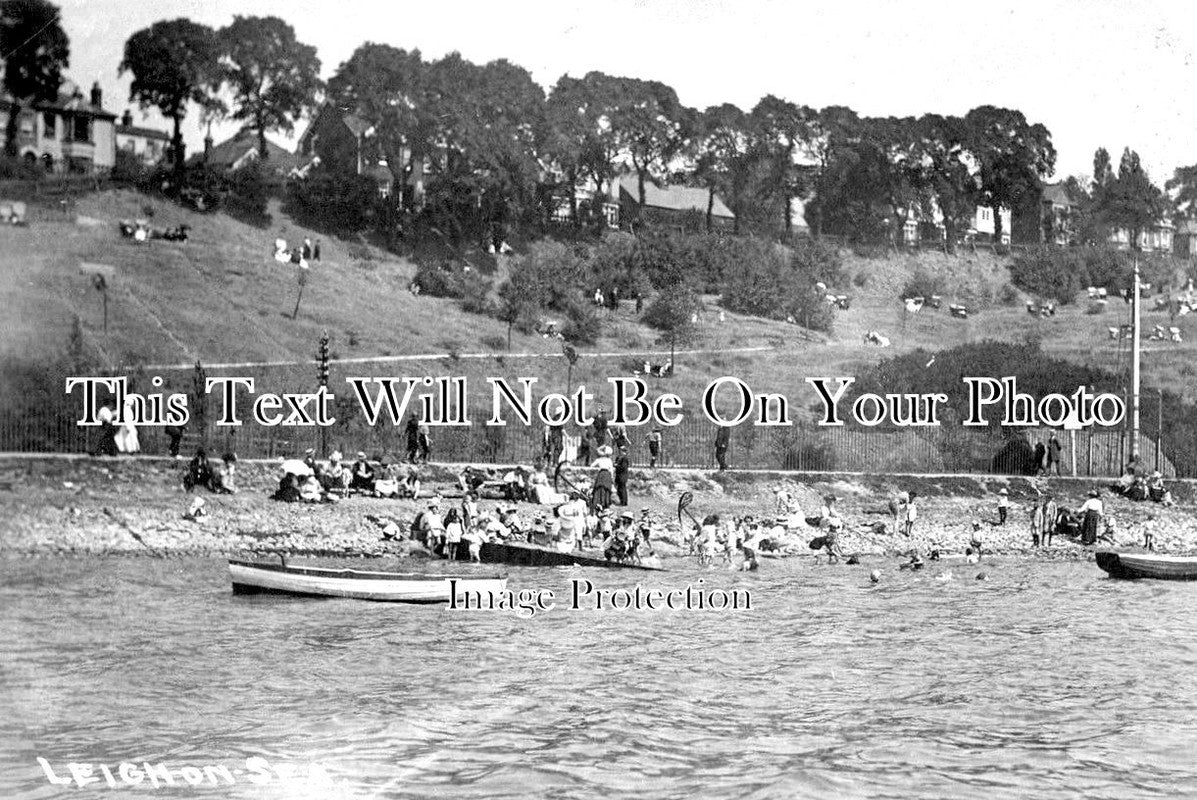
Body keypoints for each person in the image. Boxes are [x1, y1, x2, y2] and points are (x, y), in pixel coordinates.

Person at [590, 445, 615, 511]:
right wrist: (612, 478)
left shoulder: (599, 460)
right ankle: (605, 502)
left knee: (599, 487)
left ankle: (598, 501)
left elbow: (591, 466)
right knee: (605, 487)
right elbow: (611, 470)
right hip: (607, 474)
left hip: (601, 473)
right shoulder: (609, 460)